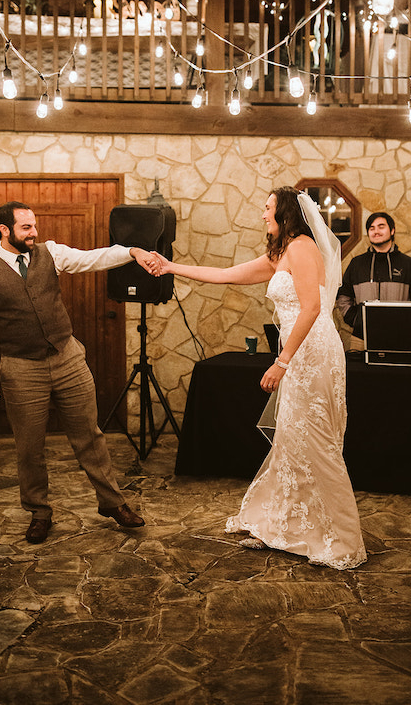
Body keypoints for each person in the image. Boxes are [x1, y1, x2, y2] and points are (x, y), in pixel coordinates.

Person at [152, 186, 366, 569]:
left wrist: (282, 361)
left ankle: (340, 538)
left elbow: (313, 307)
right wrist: (170, 267)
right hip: (299, 351)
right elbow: (225, 275)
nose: (262, 215)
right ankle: (281, 525)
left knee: (314, 439)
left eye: (267, 208)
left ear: (284, 213)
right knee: (291, 437)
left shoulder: (301, 247)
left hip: (312, 353)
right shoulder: (280, 253)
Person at [0, 200, 159, 545]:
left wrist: (132, 252)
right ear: (4, 230)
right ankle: (39, 512)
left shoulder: (50, 253)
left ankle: (113, 503)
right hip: (21, 369)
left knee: (90, 436)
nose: (34, 233)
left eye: (34, 226)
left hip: (67, 358)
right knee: (29, 448)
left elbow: (93, 258)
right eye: (26, 228)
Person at [336, 210, 411, 351]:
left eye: (381, 227)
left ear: (392, 230)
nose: (376, 231)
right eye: (371, 228)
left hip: (401, 338)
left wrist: (407, 324)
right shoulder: (357, 264)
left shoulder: (409, 264)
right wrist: (357, 320)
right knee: (360, 373)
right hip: (361, 338)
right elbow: (343, 296)